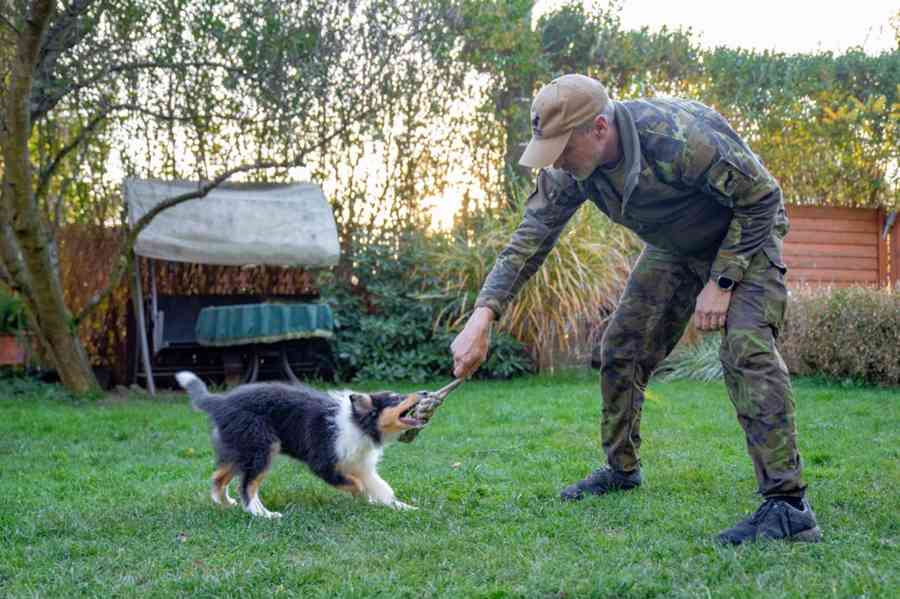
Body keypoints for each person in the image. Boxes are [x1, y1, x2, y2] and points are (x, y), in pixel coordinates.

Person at [450, 74, 821, 545]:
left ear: (599, 128)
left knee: (745, 349)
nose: (558, 162)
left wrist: (722, 280)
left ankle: (788, 506)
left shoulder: (679, 136)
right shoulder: (571, 171)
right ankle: (621, 470)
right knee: (621, 346)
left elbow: (763, 197)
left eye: (565, 148)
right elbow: (528, 241)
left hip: (744, 236)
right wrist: (482, 316)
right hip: (673, 247)